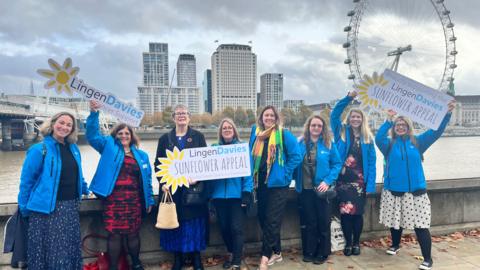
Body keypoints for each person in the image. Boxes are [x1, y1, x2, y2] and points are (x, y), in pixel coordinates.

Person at [375, 101, 455, 270]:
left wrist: (447, 114)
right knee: (396, 222)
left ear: (409, 127)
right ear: (394, 127)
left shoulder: (418, 142)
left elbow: (436, 132)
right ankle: (395, 245)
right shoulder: (388, 144)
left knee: (421, 226)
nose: (401, 127)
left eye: (404, 125)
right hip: (395, 190)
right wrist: (389, 119)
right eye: (398, 125)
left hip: (416, 191)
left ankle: (427, 259)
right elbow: (378, 138)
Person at [87, 101, 155, 270]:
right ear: (115, 135)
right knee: (114, 235)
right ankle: (113, 266)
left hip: (134, 201)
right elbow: (92, 136)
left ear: (132, 136)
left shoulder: (141, 155)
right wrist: (94, 113)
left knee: (133, 234)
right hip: (113, 199)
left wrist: (150, 201)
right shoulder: (108, 146)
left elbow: (147, 179)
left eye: (127, 133)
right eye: (120, 133)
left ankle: (136, 263)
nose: (124, 136)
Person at [18, 112, 89, 269]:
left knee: (68, 251)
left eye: (69, 125)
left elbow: (78, 173)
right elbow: (26, 181)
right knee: (51, 253)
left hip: (70, 208)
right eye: (61, 122)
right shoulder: (39, 149)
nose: (64, 127)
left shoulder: (74, 148)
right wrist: (24, 209)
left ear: (72, 129)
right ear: (52, 123)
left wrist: (84, 188)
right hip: (46, 211)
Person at [154, 104, 208, 270]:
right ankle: (177, 258)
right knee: (175, 225)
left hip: (193, 191)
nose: (181, 116)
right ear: (173, 118)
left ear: (189, 117)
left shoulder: (198, 136)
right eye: (178, 114)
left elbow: (205, 163)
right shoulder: (165, 139)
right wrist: (163, 182)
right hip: (173, 191)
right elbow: (158, 164)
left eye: (184, 113)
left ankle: (195, 258)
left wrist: (197, 179)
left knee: (194, 224)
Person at [249, 105, 302, 270]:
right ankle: (277, 251)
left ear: (276, 118)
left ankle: (265, 257)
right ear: (261, 118)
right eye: (266, 115)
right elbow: (249, 154)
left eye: (272, 115)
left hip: (279, 185)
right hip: (261, 184)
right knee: (263, 218)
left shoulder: (284, 134)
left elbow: (296, 156)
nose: (269, 118)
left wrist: (285, 174)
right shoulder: (256, 134)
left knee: (272, 220)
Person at [330, 91, 376, 256]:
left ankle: (356, 242)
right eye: (353, 117)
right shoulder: (341, 132)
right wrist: (348, 98)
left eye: (358, 117)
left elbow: (371, 163)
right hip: (342, 182)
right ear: (349, 119)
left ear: (363, 119)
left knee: (357, 215)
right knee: (345, 215)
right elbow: (334, 115)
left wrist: (370, 184)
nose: (355, 119)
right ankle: (348, 243)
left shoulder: (368, 138)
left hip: (359, 184)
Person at [294, 115, 342, 264]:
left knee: (323, 221)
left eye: (319, 126)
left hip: (322, 190)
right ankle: (310, 250)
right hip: (305, 189)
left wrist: (327, 181)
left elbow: (337, 164)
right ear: (308, 127)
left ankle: (323, 251)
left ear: (323, 128)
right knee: (310, 222)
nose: (316, 128)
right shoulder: (300, 143)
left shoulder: (328, 144)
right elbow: (291, 160)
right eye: (313, 125)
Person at [208, 118, 253, 270]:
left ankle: (236, 261)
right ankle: (232, 253)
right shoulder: (214, 148)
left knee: (237, 228)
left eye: (230, 128)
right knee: (225, 228)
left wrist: (247, 191)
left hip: (237, 196)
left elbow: (248, 173)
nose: (227, 130)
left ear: (234, 131)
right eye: (224, 128)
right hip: (219, 196)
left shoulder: (242, 148)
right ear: (220, 132)